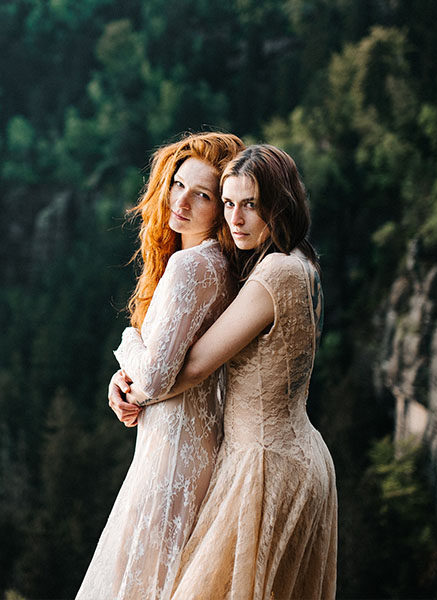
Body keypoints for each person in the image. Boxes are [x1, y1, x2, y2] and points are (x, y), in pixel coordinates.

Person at [114, 143, 337, 600]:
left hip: (263, 462)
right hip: (294, 454)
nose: (235, 220)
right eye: (230, 203)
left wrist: (128, 346)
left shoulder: (274, 273)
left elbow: (193, 367)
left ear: (280, 205)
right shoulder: (303, 262)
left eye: (250, 205)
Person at [76, 132, 244, 600]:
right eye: (178, 184)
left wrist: (127, 343)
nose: (183, 201)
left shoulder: (191, 267)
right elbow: (171, 361)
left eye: (203, 194)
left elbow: (153, 375)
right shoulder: (222, 267)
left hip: (169, 461)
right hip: (194, 452)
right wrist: (123, 382)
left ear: (222, 208)